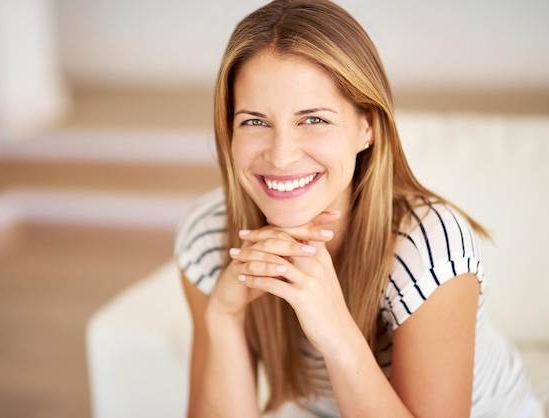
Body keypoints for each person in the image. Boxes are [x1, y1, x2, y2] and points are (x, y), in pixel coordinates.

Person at [175, 0, 543, 417]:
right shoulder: (208, 236)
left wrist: (335, 330)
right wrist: (223, 319)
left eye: (313, 120)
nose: (280, 156)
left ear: (366, 125)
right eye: (255, 121)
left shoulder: (427, 248)